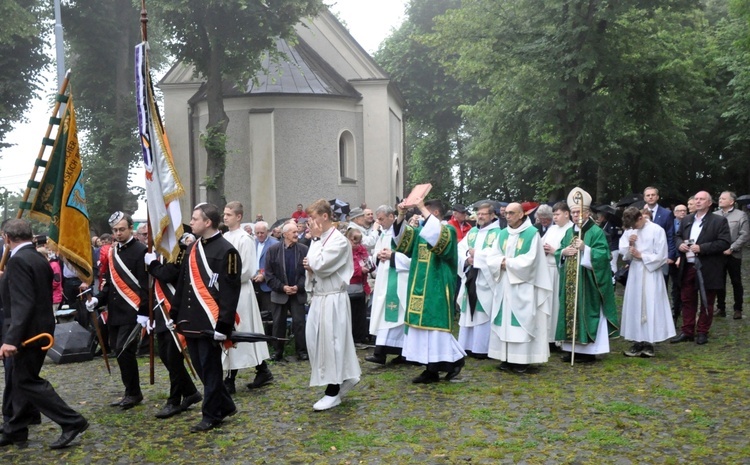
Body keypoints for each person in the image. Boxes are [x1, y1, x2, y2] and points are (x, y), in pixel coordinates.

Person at [0, 219, 88, 449]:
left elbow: (23, 303)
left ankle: (72, 421)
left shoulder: (18, 260)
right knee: (16, 380)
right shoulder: (37, 257)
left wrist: (11, 339)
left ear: (6, 238)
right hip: (39, 328)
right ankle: (15, 429)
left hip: (27, 334)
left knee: (26, 380)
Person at [171, 203, 241, 432]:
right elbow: (183, 284)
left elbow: (230, 292)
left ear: (207, 222)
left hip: (211, 320)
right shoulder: (193, 249)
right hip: (191, 319)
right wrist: (175, 312)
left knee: (211, 370)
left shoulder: (227, 251)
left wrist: (224, 325)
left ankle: (211, 415)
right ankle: (226, 405)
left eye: (194, 219)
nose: (191, 223)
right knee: (201, 369)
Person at [394, 197, 466, 383]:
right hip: (419, 285)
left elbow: (439, 241)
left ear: (434, 214)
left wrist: (420, 206)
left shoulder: (447, 230)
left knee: (436, 329)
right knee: (423, 330)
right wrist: (401, 215)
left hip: (437, 287)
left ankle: (455, 360)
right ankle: (430, 369)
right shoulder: (420, 232)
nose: (419, 215)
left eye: (423, 211)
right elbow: (401, 241)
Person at [477, 203, 552, 373]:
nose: (508, 216)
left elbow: (531, 260)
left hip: (523, 285)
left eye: (512, 213)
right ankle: (506, 357)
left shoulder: (532, 233)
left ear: (521, 215)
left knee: (521, 322)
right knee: (503, 321)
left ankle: (522, 360)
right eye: (507, 213)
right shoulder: (503, 233)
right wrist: (500, 262)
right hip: (504, 284)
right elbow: (492, 256)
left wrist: (506, 263)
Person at [85, 211, 148, 409]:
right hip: (115, 310)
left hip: (133, 309)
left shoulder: (141, 251)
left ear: (131, 228)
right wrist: (97, 299)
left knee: (124, 350)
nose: (118, 233)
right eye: (115, 230)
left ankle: (134, 392)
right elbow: (109, 285)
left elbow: (145, 285)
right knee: (117, 350)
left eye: (122, 229)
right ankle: (129, 391)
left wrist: (144, 312)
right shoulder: (112, 252)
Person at [302, 199, 361, 411]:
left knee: (333, 342)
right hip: (320, 297)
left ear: (324, 216)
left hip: (333, 298)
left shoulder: (338, 241)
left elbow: (320, 265)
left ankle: (333, 390)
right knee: (317, 341)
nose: (309, 222)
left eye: (312, 217)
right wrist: (312, 264)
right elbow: (309, 265)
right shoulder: (319, 240)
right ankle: (347, 376)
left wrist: (313, 262)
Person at [555, 187, 619, 363]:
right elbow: (559, 250)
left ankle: (589, 351)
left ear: (587, 212)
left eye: (579, 212)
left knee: (586, 312)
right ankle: (571, 348)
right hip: (570, 281)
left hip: (588, 282)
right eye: (573, 213)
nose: (576, 216)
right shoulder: (569, 232)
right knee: (569, 312)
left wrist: (586, 249)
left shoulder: (595, 232)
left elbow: (604, 255)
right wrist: (562, 253)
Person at [144, 242, 202, 419]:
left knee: (174, 356)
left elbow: (169, 274)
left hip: (177, 308)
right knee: (165, 355)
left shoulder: (179, 248)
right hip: (161, 309)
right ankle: (190, 392)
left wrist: (153, 264)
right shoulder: (155, 251)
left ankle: (174, 400)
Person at [222, 202, 273, 393]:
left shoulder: (245, 239)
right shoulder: (225, 237)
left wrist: (228, 279)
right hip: (228, 291)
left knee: (240, 330)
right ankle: (262, 370)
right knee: (233, 331)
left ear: (239, 217)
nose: (225, 217)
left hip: (240, 291)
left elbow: (248, 269)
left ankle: (230, 378)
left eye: (228, 214)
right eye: (224, 214)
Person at [672, 191, 731, 345]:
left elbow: (724, 242)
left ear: (709, 203)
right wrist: (680, 245)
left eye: (701, 199)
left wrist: (702, 248)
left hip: (708, 267)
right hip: (688, 266)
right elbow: (677, 236)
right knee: (687, 299)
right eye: (696, 199)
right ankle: (687, 331)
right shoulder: (687, 219)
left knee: (707, 300)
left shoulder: (719, 221)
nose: (698, 201)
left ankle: (703, 331)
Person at [618, 207, 676, 357]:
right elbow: (623, 253)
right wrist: (629, 245)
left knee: (651, 304)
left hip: (651, 273)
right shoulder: (631, 230)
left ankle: (650, 342)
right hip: (635, 273)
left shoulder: (657, 230)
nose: (634, 229)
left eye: (635, 225)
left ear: (640, 218)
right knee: (635, 305)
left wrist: (641, 255)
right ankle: (637, 340)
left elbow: (662, 255)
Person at [366, 205, 410, 365]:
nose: (379, 222)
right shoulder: (383, 233)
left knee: (397, 316)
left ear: (392, 217)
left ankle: (402, 353)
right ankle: (381, 352)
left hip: (398, 279)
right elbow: (375, 252)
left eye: (382, 219)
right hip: (384, 279)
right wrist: (378, 255)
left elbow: (410, 256)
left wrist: (393, 256)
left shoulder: (404, 232)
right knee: (383, 315)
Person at [457, 202, 501, 359]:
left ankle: (482, 348)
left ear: (492, 215)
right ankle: (466, 345)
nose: (480, 216)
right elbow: (460, 249)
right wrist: (467, 259)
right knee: (468, 310)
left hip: (485, 278)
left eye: (484, 214)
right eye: (479, 213)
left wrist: (479, 255)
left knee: (483, 311)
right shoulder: (472, 232)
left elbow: (496, 253)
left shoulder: (498, 233)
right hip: (470, 275)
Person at [264, 222, 309, 361]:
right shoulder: (273, 250)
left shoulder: (304, 249)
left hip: (297, 293)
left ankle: (301, 351)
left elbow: (307, 273)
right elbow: (269, 274)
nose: (297, 234)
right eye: (293, 232)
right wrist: (282, 287)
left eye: (297, 232)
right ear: (285, 235)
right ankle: (278, 351)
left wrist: (298, 286)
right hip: (279, 293)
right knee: (278, 323)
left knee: (299, 322)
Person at [542, 202, 573, 348]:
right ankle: (546, 337)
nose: (555, 218)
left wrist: (555, 251)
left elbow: (570, 251)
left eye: (557, 214)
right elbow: (541, 243)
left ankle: (557, 338)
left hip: (560, 271)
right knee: (547, 304)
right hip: (547, 270)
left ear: (567, 214)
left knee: (557, 304)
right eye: (553, 215)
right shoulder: (552, 229)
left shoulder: (571, 229)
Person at [714, 191, 749, 319]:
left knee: (736, 281)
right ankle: (720, 307)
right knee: (719, 281)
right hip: (718, 254)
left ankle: (738, 308)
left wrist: (732, 248)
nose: (720, 200)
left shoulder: (741, 215)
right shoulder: (714, 215)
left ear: (731, 201)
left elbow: (744, 234)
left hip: (734, 255)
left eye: (723, 198)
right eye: (719, 198)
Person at [345, 228, 373, 347]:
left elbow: (367, 262)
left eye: (359, 242)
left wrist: (369, 266)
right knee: (349, 315)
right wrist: (359, 270)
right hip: (349, 286)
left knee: (360, 314)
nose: (357, 245)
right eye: (354, 242)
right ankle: (350, 338)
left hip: (361, 287)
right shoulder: (344, 251)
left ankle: (359, 338)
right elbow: (346, 268)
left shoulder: (362, 250)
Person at [251, 221, 278, 328]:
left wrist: (264, 275)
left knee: (268, 312)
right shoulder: (253, 243)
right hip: (253, 281)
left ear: (267, 232)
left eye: (262, 233)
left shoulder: (275, 244)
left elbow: (276, 265)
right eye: (257, 233)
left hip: (267, 283)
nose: (259, 235)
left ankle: (269, 337)